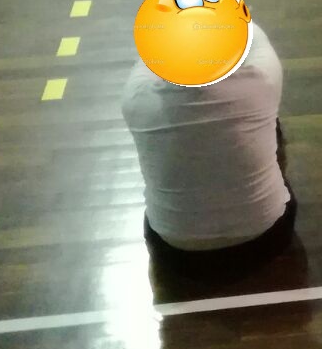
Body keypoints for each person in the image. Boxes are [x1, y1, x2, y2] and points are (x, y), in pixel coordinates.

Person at [121, 25, 295, 281]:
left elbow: (147, 54)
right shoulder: (263, 80)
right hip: (267, 238)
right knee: (271, 124)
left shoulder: (135, 98)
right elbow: (250, 32)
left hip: (176, 254)